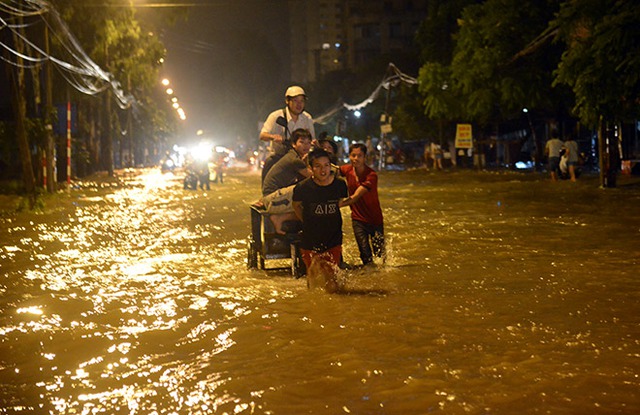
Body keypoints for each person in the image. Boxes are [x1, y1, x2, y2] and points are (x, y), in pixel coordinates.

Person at [293, 149, 349, 291]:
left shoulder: (340, 185)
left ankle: (333, 306)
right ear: (310, 168)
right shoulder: (302, 188)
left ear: (331, 166)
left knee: (332, 275)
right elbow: (296, 206)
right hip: (310, 237)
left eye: (326, 165)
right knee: (312, 274)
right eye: (318, 166)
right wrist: (306, 221)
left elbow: (340, 203)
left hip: (333, 236)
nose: (323, 170)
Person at [339, 143, 385, 266]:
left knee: (380, 255)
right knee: (365, 253)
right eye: (353, 155)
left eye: (360, 156)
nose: (356, 159)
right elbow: (330, 171)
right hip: (358, 219)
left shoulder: (371, 175)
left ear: (365, 158)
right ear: (349, 156)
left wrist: (337, 205)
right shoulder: (347, 170)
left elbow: (355, 197)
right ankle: (370, 277)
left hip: (375, 219)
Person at [260, 86, 315, 183]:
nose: (299, 104)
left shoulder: (307, 118)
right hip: (279, 157)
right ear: (287, 101)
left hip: (299, 159)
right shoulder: (276, 116)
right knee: (269, 167)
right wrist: (273, 137)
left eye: (302, 101)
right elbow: (262, 135)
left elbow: (312, 140)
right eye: (295, 101)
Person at [261, 128, 313, 233]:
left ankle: (282, 219)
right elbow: (314, 177)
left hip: (273, 197)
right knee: (307, 192)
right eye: (302, 142)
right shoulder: (294, 160)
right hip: (272, 200)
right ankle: (279, 219)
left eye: (308, 143)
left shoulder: (293, 155)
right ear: (294, 144)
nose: (306, 146)